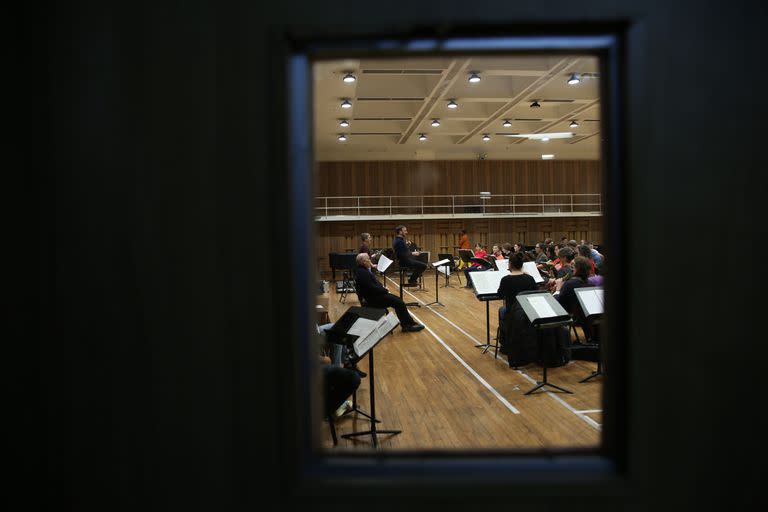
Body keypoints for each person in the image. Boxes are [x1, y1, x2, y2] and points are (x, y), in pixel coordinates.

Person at [353, 253, 425, 332]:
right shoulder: (362, 272)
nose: (370, 261)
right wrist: (384, 290)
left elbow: (373, 284)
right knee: (399, 303)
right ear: (363, 262)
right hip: (372, 299)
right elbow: (371, 287)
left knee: (398, 301)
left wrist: (382, 288)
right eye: (368, 259)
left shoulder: (362, 270)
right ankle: (407, 325)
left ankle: (408, 323)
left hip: (374, 295)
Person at [496, 252, 539, 367]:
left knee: (502, 310)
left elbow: (500, 295)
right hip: (529, 313)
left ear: (510, 264)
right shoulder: (529, 278)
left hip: (513, 313)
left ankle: (504, 344)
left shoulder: (506, 280)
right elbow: (536, 293)